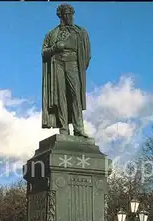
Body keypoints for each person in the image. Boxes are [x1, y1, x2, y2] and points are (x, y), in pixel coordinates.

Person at [41, 4, 91, 138]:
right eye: (67, 14)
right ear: (61, 16)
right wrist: (55, 48)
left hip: (73, 64)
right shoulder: (52, 34)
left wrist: (79, 67)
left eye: (71, 14)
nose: (70, 17)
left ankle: (78, 128)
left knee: (75, 96)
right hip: (57, 64)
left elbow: (87, 55)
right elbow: (44, 53)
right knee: (60, 96)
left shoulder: (80, 32)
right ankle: (63, 128)